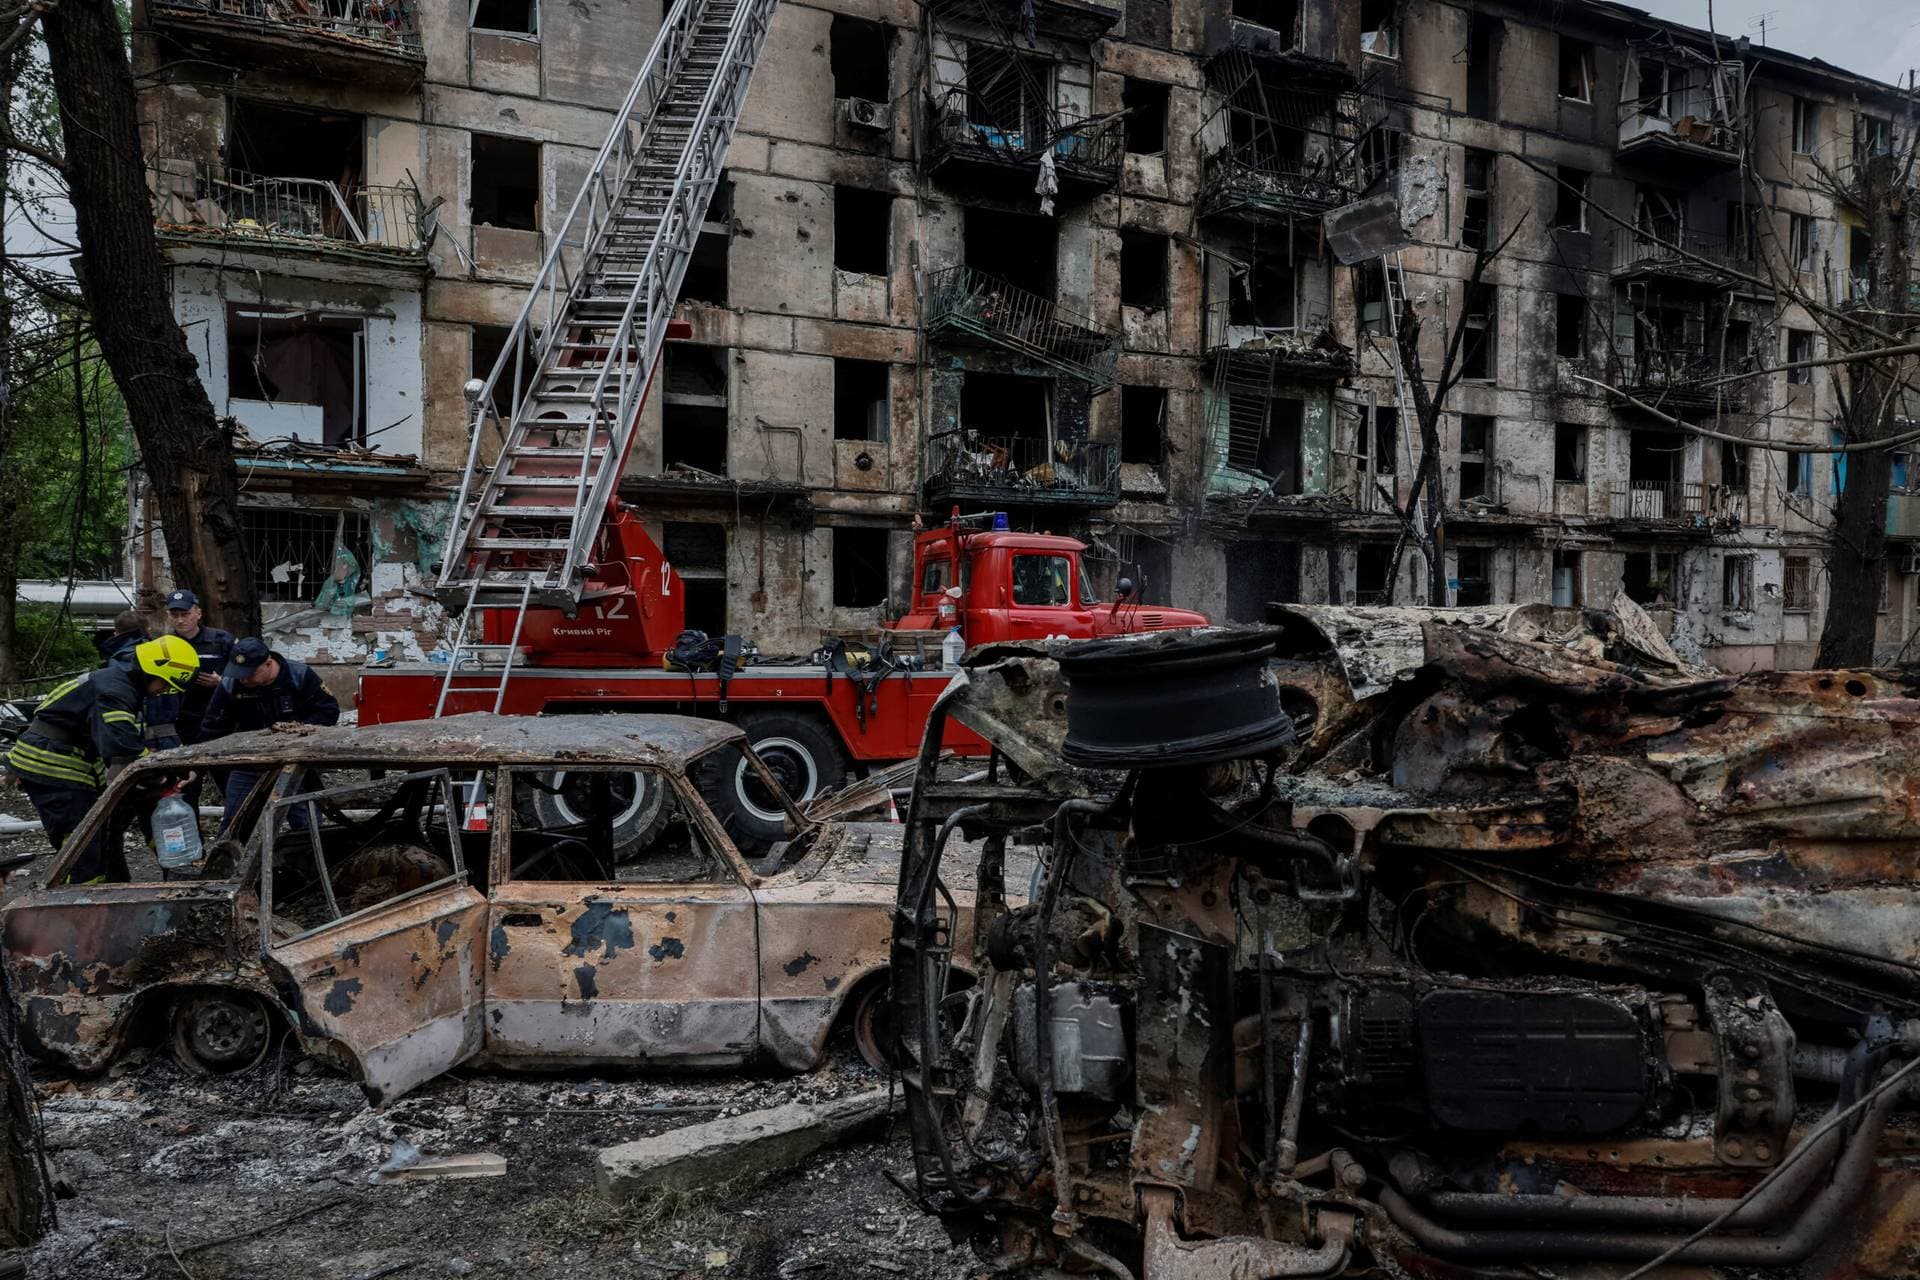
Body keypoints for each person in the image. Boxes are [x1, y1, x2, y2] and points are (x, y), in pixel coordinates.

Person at [2, 635, 200, 883]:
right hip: (54, 766)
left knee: (99, 835)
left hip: (68, 760)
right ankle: (81, 907)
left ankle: (111, 889)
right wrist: (162, 771)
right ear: (152, 670)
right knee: (81, 846)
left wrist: (163, 770)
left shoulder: (120, 683)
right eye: (164, 684)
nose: (162, 692)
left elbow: (129, 743)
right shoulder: (115, 690)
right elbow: (122, 745)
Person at [200, 638, 341, 833]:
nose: (244, 679)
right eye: (239, 673)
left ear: (268, 664)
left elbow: (329, 711)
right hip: (249, 761)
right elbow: (213, 726)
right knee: (234, 823)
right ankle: (233, 860)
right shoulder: (231, 684)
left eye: (249, 673)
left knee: (306, 824)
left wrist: (299, 730)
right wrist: (200, 762)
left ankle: (306, 859)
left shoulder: (299, 675)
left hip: (296, 762)